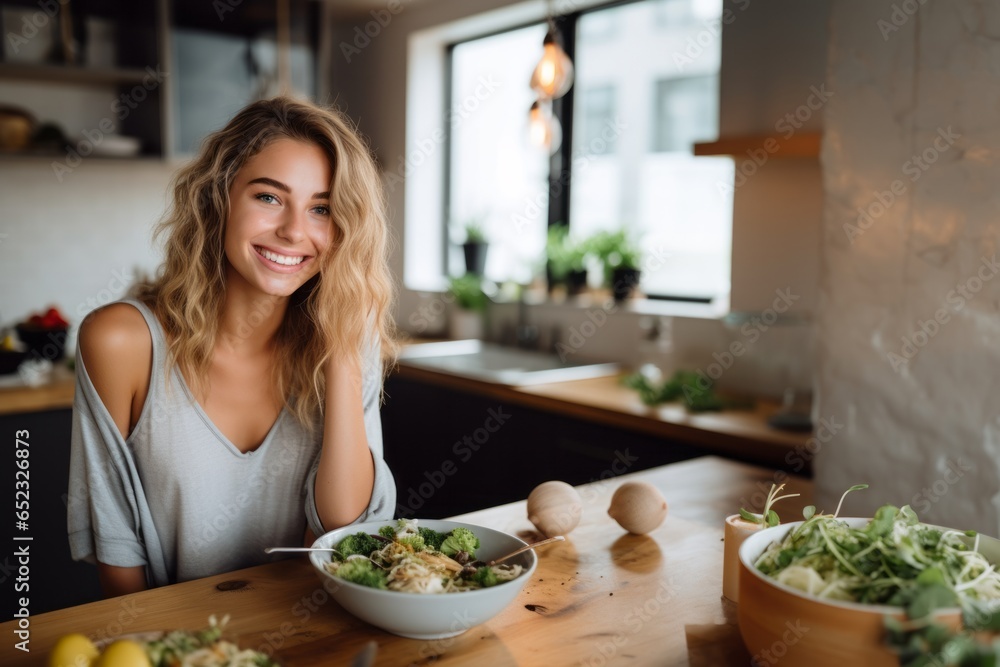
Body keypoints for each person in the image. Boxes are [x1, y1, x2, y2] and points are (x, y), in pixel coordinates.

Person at [67, 96, 398, 597]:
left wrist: (342, 350)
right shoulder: (121, 342)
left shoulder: (348, 340)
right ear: (218, 197)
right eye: (268, 197)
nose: (293, 231)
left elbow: (345, 526)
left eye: (322, 209)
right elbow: (117, 547)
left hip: (309, 636)